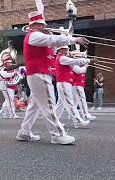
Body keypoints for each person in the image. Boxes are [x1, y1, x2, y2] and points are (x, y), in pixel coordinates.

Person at [16, 11, 89, 145]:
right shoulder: (33, 35)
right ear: (35, 25)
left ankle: (24, 132)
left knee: (34, 105)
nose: (44, 27)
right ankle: (57, 134)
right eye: (42, 25)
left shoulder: (40, 38)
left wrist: (61, 45)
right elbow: (51, 40)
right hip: (39, 74)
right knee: (49, 104)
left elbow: (52, 49)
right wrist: (72, 39)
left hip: (41, 74)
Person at [54, 46, 91, 128]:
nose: (68, 50)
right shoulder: (62, 58)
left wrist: (83, 63)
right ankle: (77, 121)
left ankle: (54, 121)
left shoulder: (65, 59)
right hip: (63, 83)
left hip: (66, 83)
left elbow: (77, 68)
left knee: (61, 103)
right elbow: (75, 61)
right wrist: (87, 60)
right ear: (61, 50)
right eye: (66, 49)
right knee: (69, 103)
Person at [71, 51, 96, 121]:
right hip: (76, 85)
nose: (83, 59)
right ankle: (86, 115)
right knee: (82, 100)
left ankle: (74, 116)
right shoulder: (74, 64)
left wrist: (87, 64)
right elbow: (79, 71)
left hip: (79, 84)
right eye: (81, 57)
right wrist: (85, 66)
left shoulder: (79, 64)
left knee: (75, 102)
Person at [0, 54, 19, 118]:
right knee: (10, 100)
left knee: (8, 100)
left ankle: (3, 111)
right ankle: (12, 114)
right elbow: (4, 75)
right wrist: (13, 73)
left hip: (11, 86)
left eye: (10, 62)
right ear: (6, 63)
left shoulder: (12, 69)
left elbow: (15, 76)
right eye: (9, 63)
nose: (10, 64)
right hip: (6, 86)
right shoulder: (2, 69)